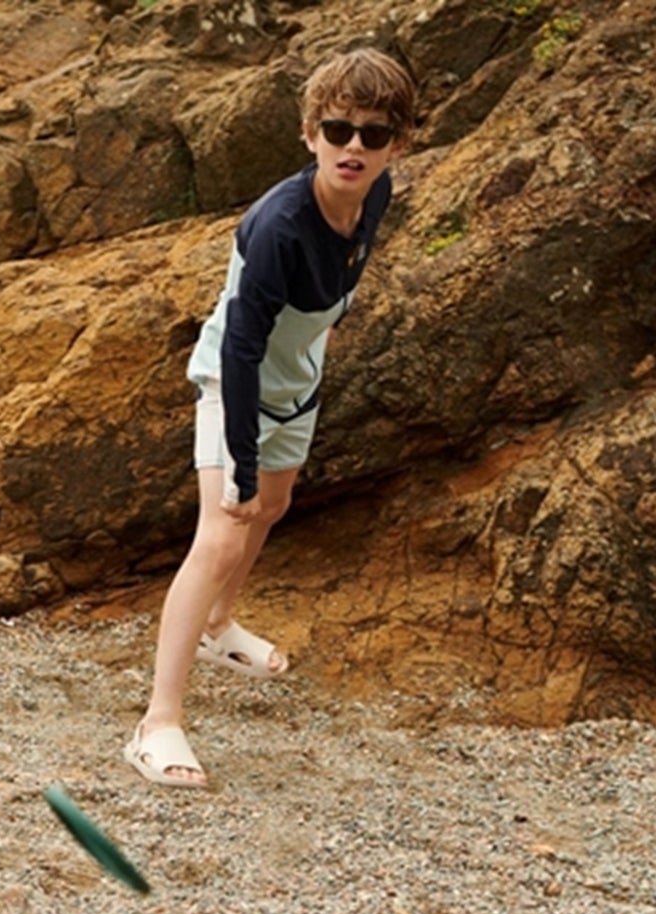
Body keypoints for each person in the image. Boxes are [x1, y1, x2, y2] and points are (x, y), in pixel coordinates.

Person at [123, 46, 417, 789]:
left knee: (275, 507)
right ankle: (157, 723)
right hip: (237, 383)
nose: (354, 147)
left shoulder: (376, 193)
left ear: (397, 143)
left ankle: (219, 628)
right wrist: (242, 465)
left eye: (374, 134)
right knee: (224, 530)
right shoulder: (279, 226)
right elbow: (243, 346)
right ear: (310, 133)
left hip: (296, 382)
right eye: (338, 130)